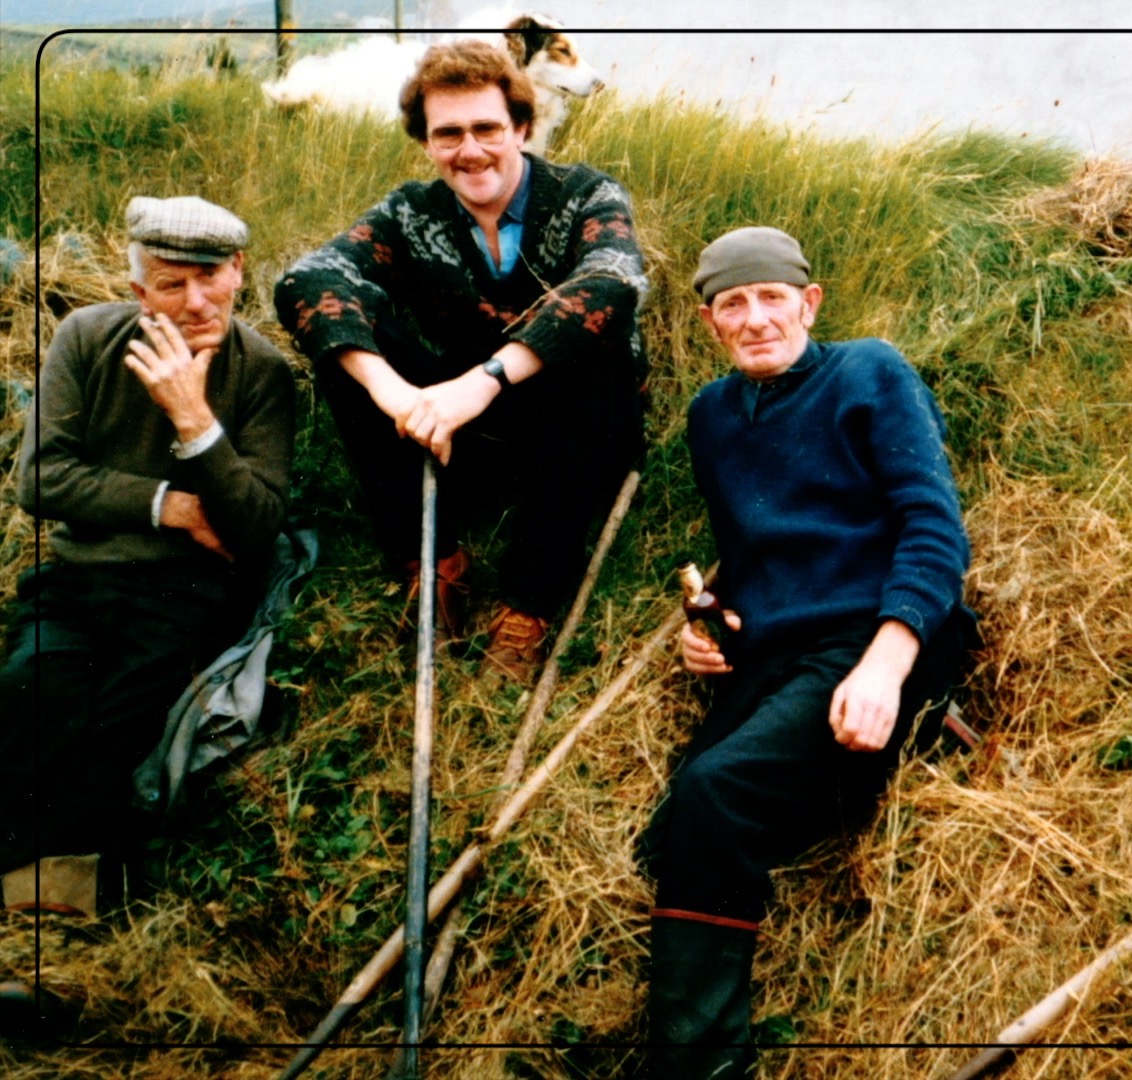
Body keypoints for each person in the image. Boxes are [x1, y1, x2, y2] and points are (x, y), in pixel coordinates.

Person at [637, 227, 976, 1078]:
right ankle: (838, 783)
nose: (755, 319)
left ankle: (698, 1068)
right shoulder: (712, 416)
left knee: (718, 794)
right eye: (733, 304)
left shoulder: (868, 372)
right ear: (712, 321)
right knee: (669, 836)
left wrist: (885, 668)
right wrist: (706, 627)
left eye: (772, 298)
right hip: (776, 655)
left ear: (809, 303)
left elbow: (934, 529)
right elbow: (750, 555)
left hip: (879, 636)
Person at [274, 38, 646, 679]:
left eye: (486, 129)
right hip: (460, 432)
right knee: (347, 336)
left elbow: (614, 280)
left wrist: (487, 379)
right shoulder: (411, 211)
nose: (470, 150)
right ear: (426, 142)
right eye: (448, 134)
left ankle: (527, 600)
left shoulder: (585, 194)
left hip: (573, 435)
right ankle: (436, 560)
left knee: (602, 344)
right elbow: (307, 279)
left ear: (521, 128)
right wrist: (390, 391)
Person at [1, 195, 294, 926]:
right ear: (139, 290)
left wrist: (194, 419)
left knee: (123, 719)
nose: (196, 301)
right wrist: (176, 505)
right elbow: (40, 478)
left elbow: (257, 527)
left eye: (211, 277)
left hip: (188, 591)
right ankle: (28, 881)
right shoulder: (86, 338)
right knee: (35, 687)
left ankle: (61, 898)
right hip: (77, 579)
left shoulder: (261, 372)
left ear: (238, 270)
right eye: (171, 284)